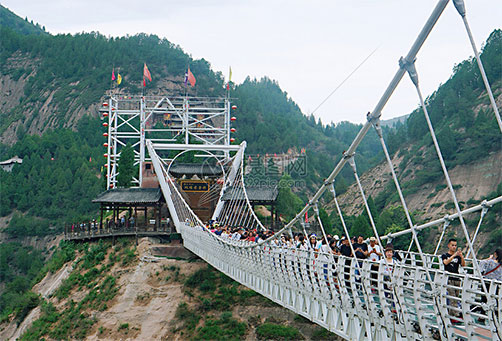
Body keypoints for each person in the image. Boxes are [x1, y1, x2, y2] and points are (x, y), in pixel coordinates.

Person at [441, 238, 465, 320]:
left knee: (456, 297)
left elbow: (463, 265)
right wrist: (454, 255)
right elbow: (445, 262)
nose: (454, 247)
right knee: (452, 297)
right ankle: (454, 315)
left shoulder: (458, 257)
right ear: (449, 246)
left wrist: (461, 257)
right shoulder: (444, 255)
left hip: (457, 279)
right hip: (449, 278)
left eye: (455, 245)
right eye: (452, 245)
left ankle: (452, 314)